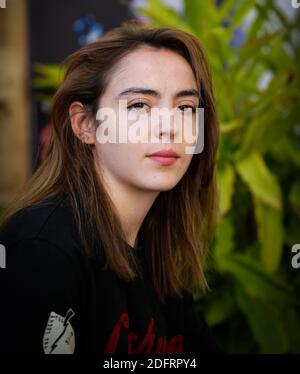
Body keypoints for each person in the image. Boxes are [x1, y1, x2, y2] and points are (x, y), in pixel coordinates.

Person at [0, 22, 221, 355]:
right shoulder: (42, 248)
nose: (169, 128)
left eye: (185, 108)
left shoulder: (154, 255)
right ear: (86, 125)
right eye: (139, 106)